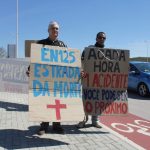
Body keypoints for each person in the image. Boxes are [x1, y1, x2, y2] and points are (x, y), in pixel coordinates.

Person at [26, 21, 66, 135]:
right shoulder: (41, 44)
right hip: (45, 81)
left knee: (58, 102)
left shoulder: (63, 45)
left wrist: (78, 72)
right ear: (48, 30)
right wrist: (30, 70)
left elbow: (69, 64)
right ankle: (44, 126)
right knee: (46, 102)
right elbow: (35, 60)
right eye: (53, 28)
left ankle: (57, 125)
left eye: (57, 28)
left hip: (58, 81)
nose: (55, 30)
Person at [77, 32, 106, 128]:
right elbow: (81, 61)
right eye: (100, 37)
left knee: (97, 100)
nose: (102, 39)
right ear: (96, 38)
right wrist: (81, 70)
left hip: (99, 81)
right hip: (87, 79)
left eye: (104, 38)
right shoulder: (89, 49)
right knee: (85, 99)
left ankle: (95, 120)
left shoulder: (107, 52)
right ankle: (84, 119)